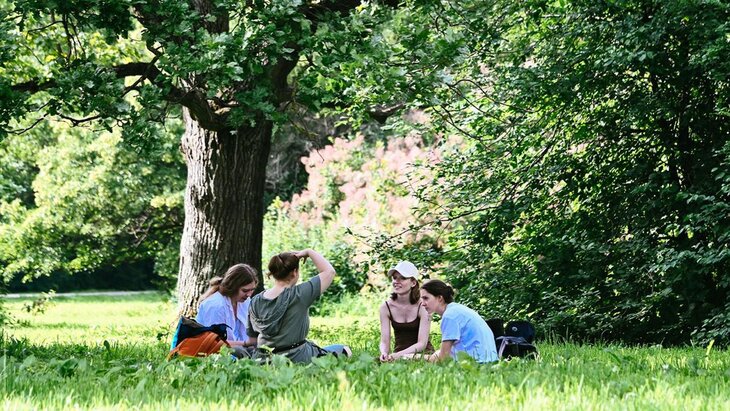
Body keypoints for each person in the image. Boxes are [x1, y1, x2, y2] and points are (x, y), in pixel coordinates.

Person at [247, 249, 352, 363]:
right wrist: (309, 252)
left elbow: (252, 339)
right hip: (295, 357)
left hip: (263, 359)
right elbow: (329, 271)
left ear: (273, 273)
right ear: (294, 272)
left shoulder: (255, 300)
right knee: (344, 349)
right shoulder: (300, 294)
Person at [419, 279, 498, 363]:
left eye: (426, 298)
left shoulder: (450, 316)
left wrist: (417, 357)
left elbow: (442, 358)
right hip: (489, 361)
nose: (422, 303)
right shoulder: (456, 310)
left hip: (478, 363)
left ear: (440, 298)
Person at [196, 263, 259, 358]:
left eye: (252, 290)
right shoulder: (216, 305)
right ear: (233, 287)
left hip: (240, 347)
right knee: (239, 352)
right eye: (245, 291)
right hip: (212, 352)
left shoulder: (245, 302)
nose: (249, 294)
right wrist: (246, 343)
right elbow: (216, 342)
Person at [379, 261, 434, 362]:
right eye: (394, 278)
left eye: (403, 278)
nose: (396, 281)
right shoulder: (385, 307)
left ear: (413, 283)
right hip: (398, 357)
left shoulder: (423, 306)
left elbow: (422, 344)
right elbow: (384, 341)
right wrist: (384, 353)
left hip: (422, 355)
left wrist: (398, 355)